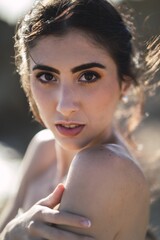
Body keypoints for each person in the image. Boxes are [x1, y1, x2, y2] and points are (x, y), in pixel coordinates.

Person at [0, 0, 159, 239]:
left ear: (123, 84)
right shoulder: (43, 149)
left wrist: (13, 234)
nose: (65, 107)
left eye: (88, 76)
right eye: (46, 76)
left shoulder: (104, 167)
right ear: (27, 82)